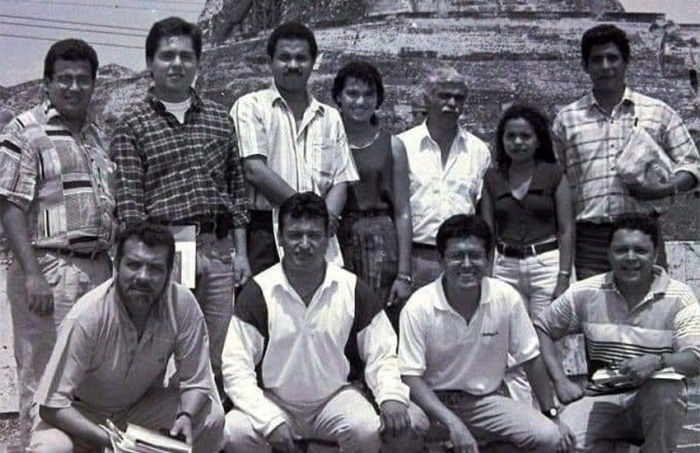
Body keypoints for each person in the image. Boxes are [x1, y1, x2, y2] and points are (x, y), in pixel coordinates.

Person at [110, 17, 250, 386]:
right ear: (150, 64)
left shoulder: (220, 120)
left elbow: (237, 192)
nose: (177, 64)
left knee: (216, 352)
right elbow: (130, 206)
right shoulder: (132, 125)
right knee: (161, 349)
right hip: (167, 249)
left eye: (186, 57)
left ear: (197, 64)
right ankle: (158, 436)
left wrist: (241, 254)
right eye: (167, 56)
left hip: (218, 250)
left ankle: (204, 430)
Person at [222, 192, 412, 452]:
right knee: (234, 431)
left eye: (313, 235)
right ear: (280, 238)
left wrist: (391, 395)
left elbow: (382, 352)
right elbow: (235, 368)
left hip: (334, 399)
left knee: (366, 429)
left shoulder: (352, 288)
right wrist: (269, 421)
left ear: (327, 238)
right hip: (275, 400)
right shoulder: (258, 292)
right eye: (294, 235)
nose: (304, 244)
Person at [0, 39, 115, 446]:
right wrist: (33, 274)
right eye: (64, 79)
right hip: (50, 268)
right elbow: (10, 206)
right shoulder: (26, 129)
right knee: (42, 376)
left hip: (99, 268)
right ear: (47, 84)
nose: (73, 87)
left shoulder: (98, 136)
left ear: (93, 84)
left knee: (86, 376)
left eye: (83, 80)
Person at [29, 222, 224, 452]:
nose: (143, 277)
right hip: (80, 415)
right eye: (134, 265)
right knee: (52, 449)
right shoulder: (88, 315)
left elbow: (196, 381)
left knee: (211, 416)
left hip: (135, 411)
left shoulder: (181, 305)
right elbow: (51, 406)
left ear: (170, 272)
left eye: (155, 268)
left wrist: (185, 416)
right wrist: (111, 441)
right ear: (116, 264)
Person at [399, 215, 574, 452]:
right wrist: (454, 424)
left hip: (484, 402)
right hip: (431, 403)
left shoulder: (505, 297)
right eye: (456, 256)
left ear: (488, 258)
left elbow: (531, 359)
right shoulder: (419, 305)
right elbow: (410, 377)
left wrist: (551, 414)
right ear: (441, 260)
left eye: (475, 255)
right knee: (403, 426)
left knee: (550, 436)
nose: (467, 264)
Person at [535, 214, 700, 451]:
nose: (630, 258)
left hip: (652, 401)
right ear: (609, 254)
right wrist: (560, 380)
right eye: (621, 250)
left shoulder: (679, 297)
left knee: (666, 390)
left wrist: (656, 362)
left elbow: (695, 359)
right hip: (601, 398)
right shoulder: (586, 292)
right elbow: (542, 327)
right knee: (561, 443)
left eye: (640, 250)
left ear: (655, 255)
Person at [552, 24, 700, 280]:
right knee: (596, 318)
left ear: (625, 62)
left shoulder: (657, 112)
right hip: (591, 240)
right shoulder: (567, 120)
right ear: (585, 66)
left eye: (613, 58)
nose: (606, 66)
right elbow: (556, 180)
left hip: (643, 233)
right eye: (597, 59)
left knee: (649, 313)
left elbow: (691, 165)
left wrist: (662, 190)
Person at [231, 22, 359, 275]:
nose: (293, 65)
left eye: (301, 58)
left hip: (320, 235)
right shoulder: (250, 106)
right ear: (270, 61)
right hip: (266, 234)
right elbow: (254, 170)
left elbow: (342, 178)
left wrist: (321, 219)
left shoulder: (330, 117)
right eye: (284, 58)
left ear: (314, 62)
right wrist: (311, 214)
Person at [480, 104, 575, 404]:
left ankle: (553, 412)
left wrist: (563, 276)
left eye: (525, 136)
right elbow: (487, 231)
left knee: (548, 343)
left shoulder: (554, 174)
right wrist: (487, 277)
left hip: (546, 262)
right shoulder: (492, 178)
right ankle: (525, 420)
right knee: (512, 347)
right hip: (505, 264)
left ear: (538, 140)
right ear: (502, 141)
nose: (518, 143)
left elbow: (567, 228)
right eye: (511, 137)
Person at [331, 60, 412, 330]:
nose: (360, 101)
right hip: (335, 236)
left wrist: (404, 273)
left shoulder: (393, 145)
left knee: (376, 321)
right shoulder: (326, 140)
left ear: (378, 100)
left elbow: (402, 211)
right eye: (352, 93)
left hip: (379, 241)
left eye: (369, 95)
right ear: (338, 98)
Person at [397, 68, 491, 290]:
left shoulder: (479, 151)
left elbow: (483, 213)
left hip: (463, 260)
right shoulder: (403, 146)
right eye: (444, 96)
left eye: (458, 98)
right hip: (417, 257)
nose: (452, 103)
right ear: (427, 100)